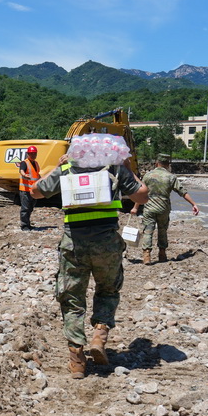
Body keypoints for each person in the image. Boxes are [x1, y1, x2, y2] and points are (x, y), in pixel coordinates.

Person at [32, 153, 148, 379]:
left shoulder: (67, 169)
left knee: (72, 297)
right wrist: (128, 168)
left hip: (74, 244)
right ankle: (99, 335)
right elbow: (142, 196)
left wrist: (57, 166)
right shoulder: (114, 169)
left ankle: (77, 360)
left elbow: (35, 191)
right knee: (107, 289)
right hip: (107, 243)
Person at [131, 153, 199, 264]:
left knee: (148, 231)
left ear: (156, 163)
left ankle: (147, 256)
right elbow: (182, 192)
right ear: (167, 164)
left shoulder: (147, 176)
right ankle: (162, 255)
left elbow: (141, 193)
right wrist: (193, 204)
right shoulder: (171, 177)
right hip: (163, 208)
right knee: (162, 231)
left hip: (149, 208)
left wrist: (135, 207)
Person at [18, 145, 41, 230]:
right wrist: (24, 175)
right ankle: (24, 226)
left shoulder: (36, 163)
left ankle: (28, 223)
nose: (33, 155)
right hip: (25, 190)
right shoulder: (24, 162)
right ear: (28, 154)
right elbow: (21, 171)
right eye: (31, 154)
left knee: (30, 208)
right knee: (25, 208)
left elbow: (37, 175)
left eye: (34, 153)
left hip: (33, 190)